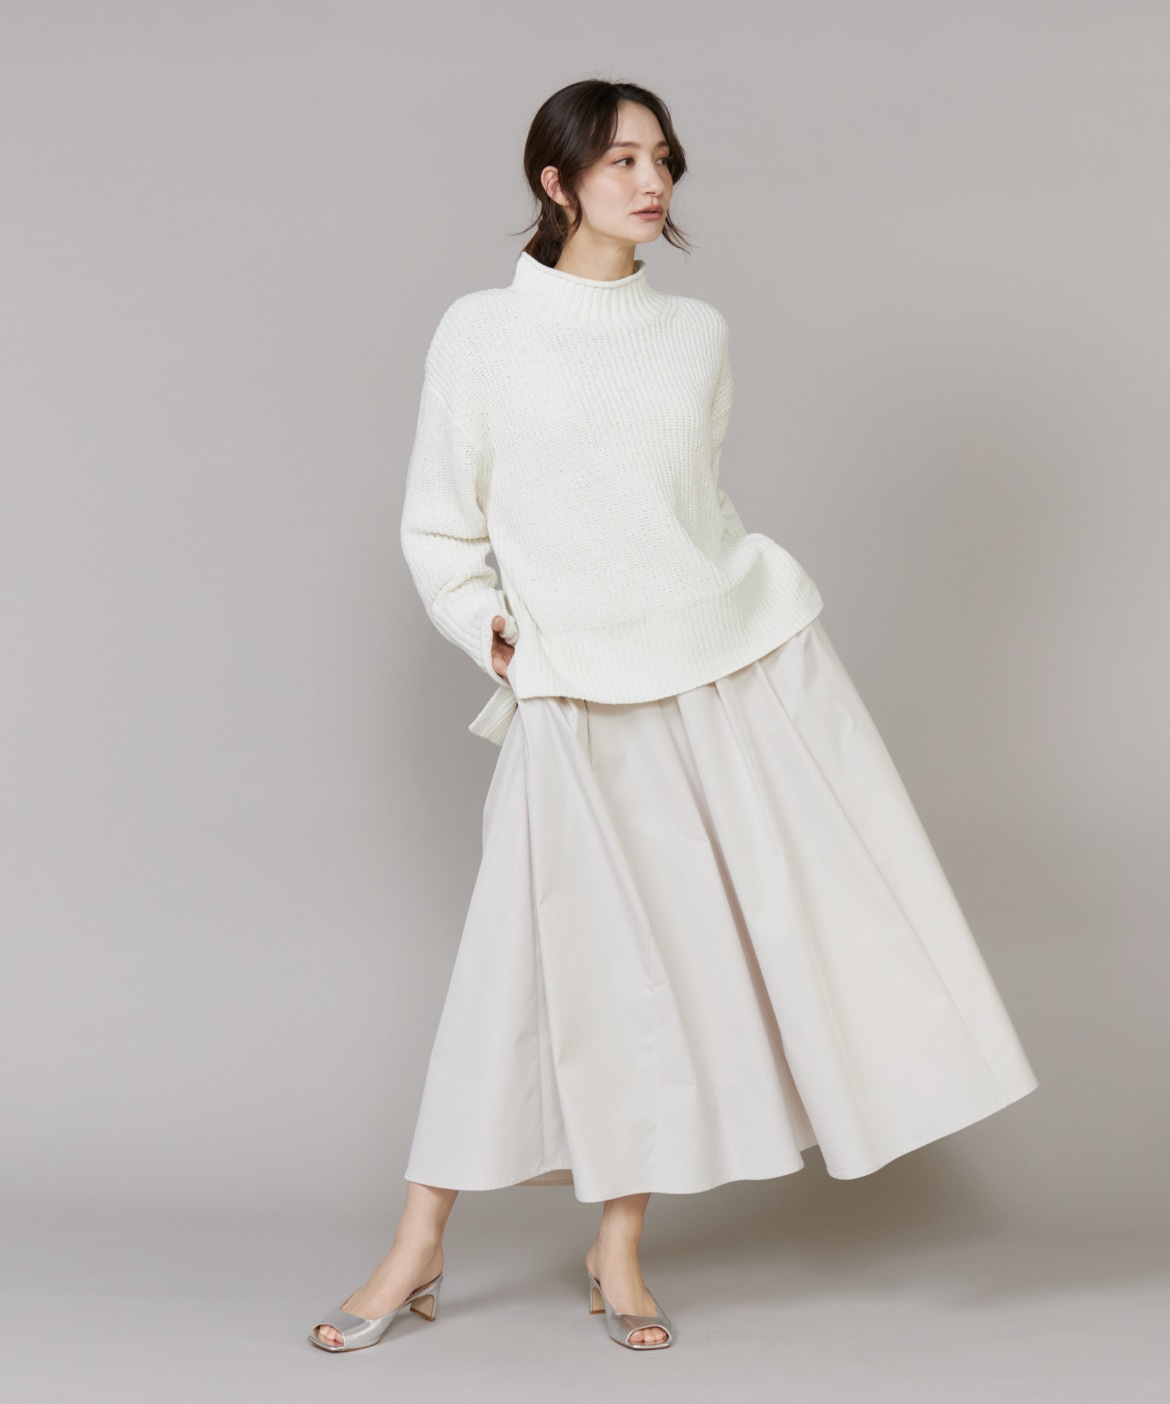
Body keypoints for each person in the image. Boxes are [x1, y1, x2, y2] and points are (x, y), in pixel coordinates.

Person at [307, 78, 1038, 1355]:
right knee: (511, 969)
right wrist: (494, 635)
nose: (652, 182)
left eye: (664, 159)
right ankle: (418, 1239)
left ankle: (619, 1249)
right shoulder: (482, 331)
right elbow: (438, 523)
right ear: (556, 181)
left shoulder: (694, 334)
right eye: (622, 161)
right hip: (566, 689)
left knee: (654, 976)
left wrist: (747, 610)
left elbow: (693, 512)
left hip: (706, 675)